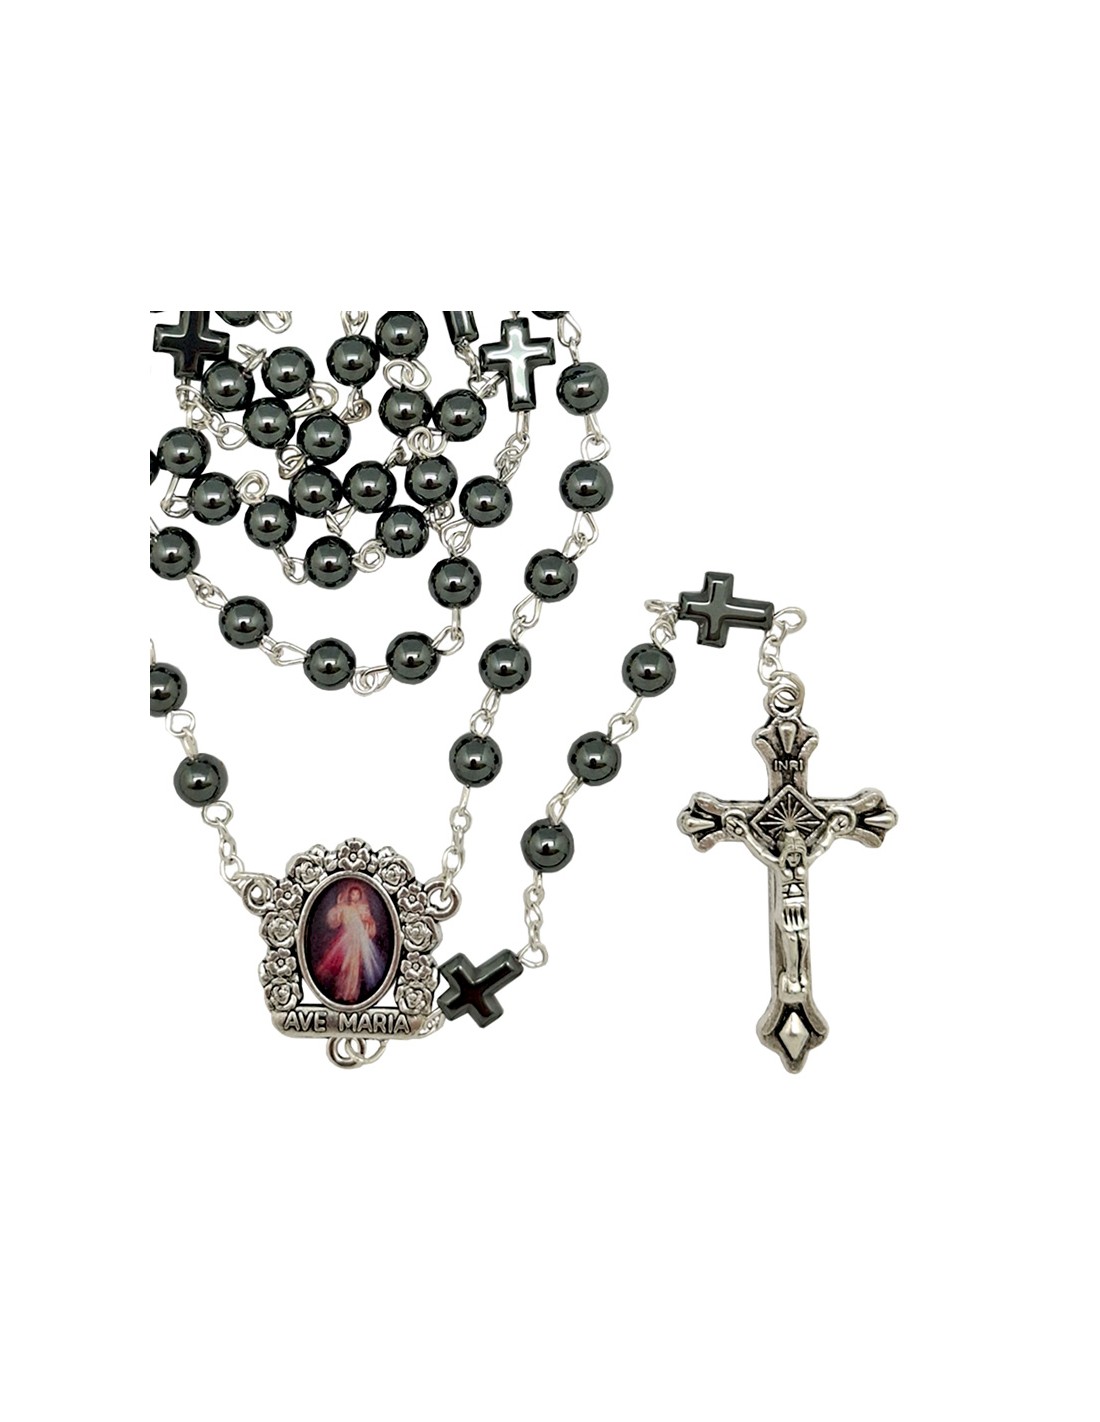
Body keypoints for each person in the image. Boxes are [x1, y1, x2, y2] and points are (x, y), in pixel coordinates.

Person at [314, 882, 386, 1003]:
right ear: (349, 895)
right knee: (344, 966)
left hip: (359, 941)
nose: (355, 896)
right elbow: (333, 921)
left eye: (357, 894)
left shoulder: (363, 908)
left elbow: (370, 924)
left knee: (354, 968)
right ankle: (340, 992)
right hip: (345, 939)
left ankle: (351, 994)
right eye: (353, 894)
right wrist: (338, 906)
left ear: (360, 896)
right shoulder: (344, 907)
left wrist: (367, 921)